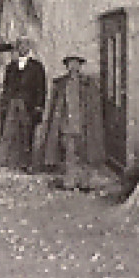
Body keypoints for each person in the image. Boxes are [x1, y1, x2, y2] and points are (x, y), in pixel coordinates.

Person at [35, 54, 106, 190]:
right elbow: (55, 106)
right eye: (70, 64)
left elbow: (94, 106)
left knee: (85, 155)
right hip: (66, 124)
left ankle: (85, 183)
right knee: (69, 155)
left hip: (83, 124)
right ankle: (70, 182)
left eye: (76, 64)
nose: (73, 67)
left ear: (80, 66)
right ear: (67, 66)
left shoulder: (88, 83)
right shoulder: (60, 84)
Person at [0, 38, 46, 171]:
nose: (22, 48)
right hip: (12, 102)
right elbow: (7, 85)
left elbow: (41, 88)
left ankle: (27, 164)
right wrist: (5, 100)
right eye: (20, 46)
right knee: (6, 131)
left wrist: (39, 106)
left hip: (28, 103)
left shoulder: (37, 66)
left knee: (27, 133)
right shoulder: (11, 66)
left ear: (29, 48)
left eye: (25, 46)